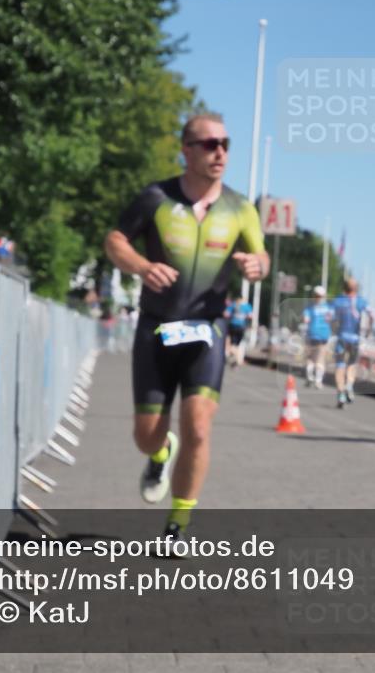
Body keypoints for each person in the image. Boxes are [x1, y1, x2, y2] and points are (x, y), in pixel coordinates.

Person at [104, 112, 269, 551]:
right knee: (146, 436)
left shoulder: (241, 208)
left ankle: (178, 523)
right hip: (156, 330)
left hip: (207, 331)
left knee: (198, 427)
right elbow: (115, 240)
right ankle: (160, 455)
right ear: (186, 150)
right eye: (210, 144)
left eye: (226, 144)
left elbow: (262, 256)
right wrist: (142, 266)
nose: (220, 153)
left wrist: (257, 265)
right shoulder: (155, 197)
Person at [331, 277, 374, 408]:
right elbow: (372, 314)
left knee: (340, 366)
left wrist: (333, 329)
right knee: (352, 364)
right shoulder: (361, 301)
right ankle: (349, 386)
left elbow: (329, 316)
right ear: (357, 288)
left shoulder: (338, 300)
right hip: (355, 338)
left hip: (342, 337)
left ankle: (341, 394)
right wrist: (368, 330)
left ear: (344, 287)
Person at [301, 285, 334, 388]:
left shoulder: (310, 308)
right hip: (324, 335)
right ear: (324, 296)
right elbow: (331, 319)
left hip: (312, 334)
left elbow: (306, 320)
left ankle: (310, 376)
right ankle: (318, 380)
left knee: (310, 357)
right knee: (321, 358)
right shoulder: (329, 308)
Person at [224, 295, 253, 368]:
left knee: (232, 344)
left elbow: (226, 314)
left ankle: (235, 358)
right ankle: (237, 359)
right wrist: (244, 317)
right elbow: (250, 316)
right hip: (241, 327)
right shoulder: (247, 306)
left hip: (233, 326)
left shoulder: (233, 305)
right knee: (236, 344)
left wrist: (232, 316)